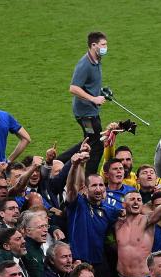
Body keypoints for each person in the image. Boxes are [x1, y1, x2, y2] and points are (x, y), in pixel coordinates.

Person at [64, 147, 122, 277]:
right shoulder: (78, 204)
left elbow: (125, 215)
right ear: (85, 189)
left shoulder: (109, 211)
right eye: (94, 185)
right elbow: (71, 188)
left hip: (100, 264)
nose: (98, 189)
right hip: (79, 263)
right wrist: (75, 166)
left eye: (101, 185)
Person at [69, 31, 108, 175]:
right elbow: (73, 88)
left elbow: (89, 84)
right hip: (85, 114)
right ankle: (89, 178)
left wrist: (101, 91)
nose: (105, 47)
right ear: (93, 45)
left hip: (91, 111)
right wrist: (94, 99)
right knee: (96, 145)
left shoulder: (96, 59)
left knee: (92, 141)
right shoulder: (84, 64)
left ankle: (62, 161)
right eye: (103, 44)